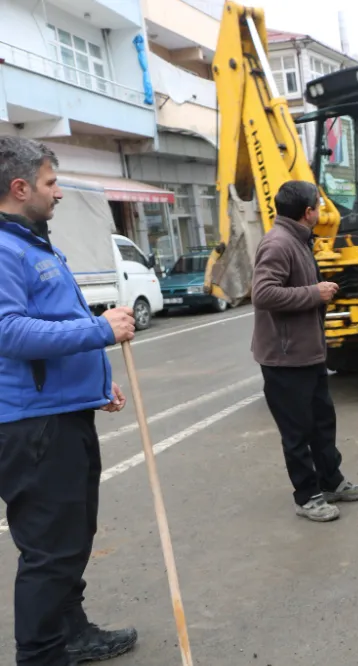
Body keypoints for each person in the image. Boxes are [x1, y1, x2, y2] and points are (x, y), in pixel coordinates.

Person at [0, 136, 139, 665]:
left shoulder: (32, 242)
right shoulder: (5, 250)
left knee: (71, 539)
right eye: (51, 183)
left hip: (60, 413)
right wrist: (98, 331)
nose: (58, 193)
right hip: (30, 427)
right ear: (20, 188)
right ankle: (40, 655)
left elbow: (51, 327)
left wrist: (94, 387)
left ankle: (71, 632)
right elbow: (8, 332)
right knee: (49, 552)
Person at [251, 180, 358, 522]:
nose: (321, 211)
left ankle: (332, 481)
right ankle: (307, 496)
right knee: (297, 431)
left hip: (309, 352)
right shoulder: (278, 244)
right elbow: (263, 294)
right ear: (308, 212)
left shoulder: (299, 239)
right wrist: (313, 293)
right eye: (318, 206)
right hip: (284, 358)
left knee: (321, 423)